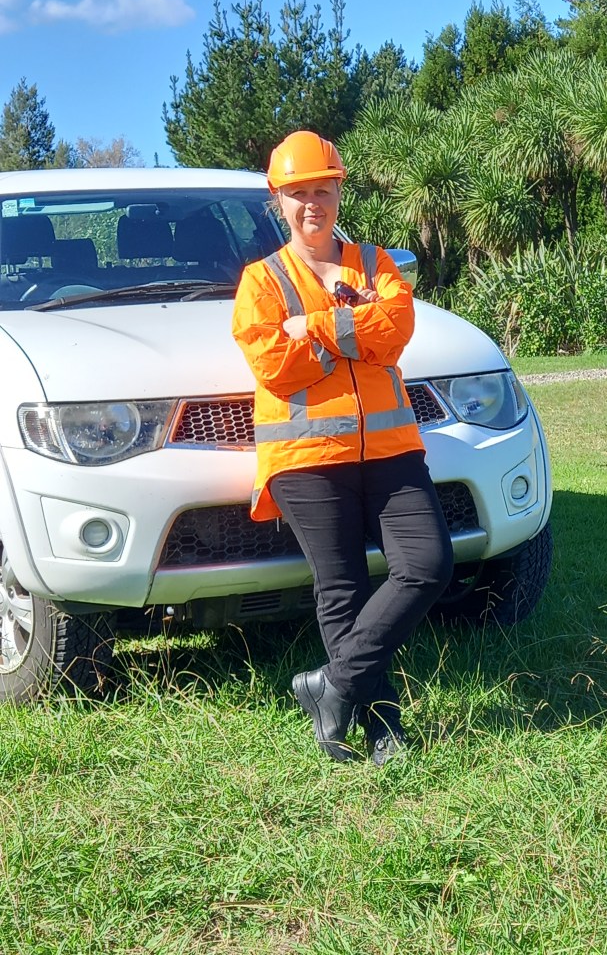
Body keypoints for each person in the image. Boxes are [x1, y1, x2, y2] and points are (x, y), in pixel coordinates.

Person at [232, 130, 454, 765]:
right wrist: (350, 331)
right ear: (277, 199)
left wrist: (317, 327)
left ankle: (330, 686)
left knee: (428, 564)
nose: (311, 204)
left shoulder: (376, 263)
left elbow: (394, 331)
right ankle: (382, 727)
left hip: (390, 449)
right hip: (305, 459)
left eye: (322, 190)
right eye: (297, 193)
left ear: (338, 191)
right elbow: (275, 362)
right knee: (343, 588)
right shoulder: (261, 281)